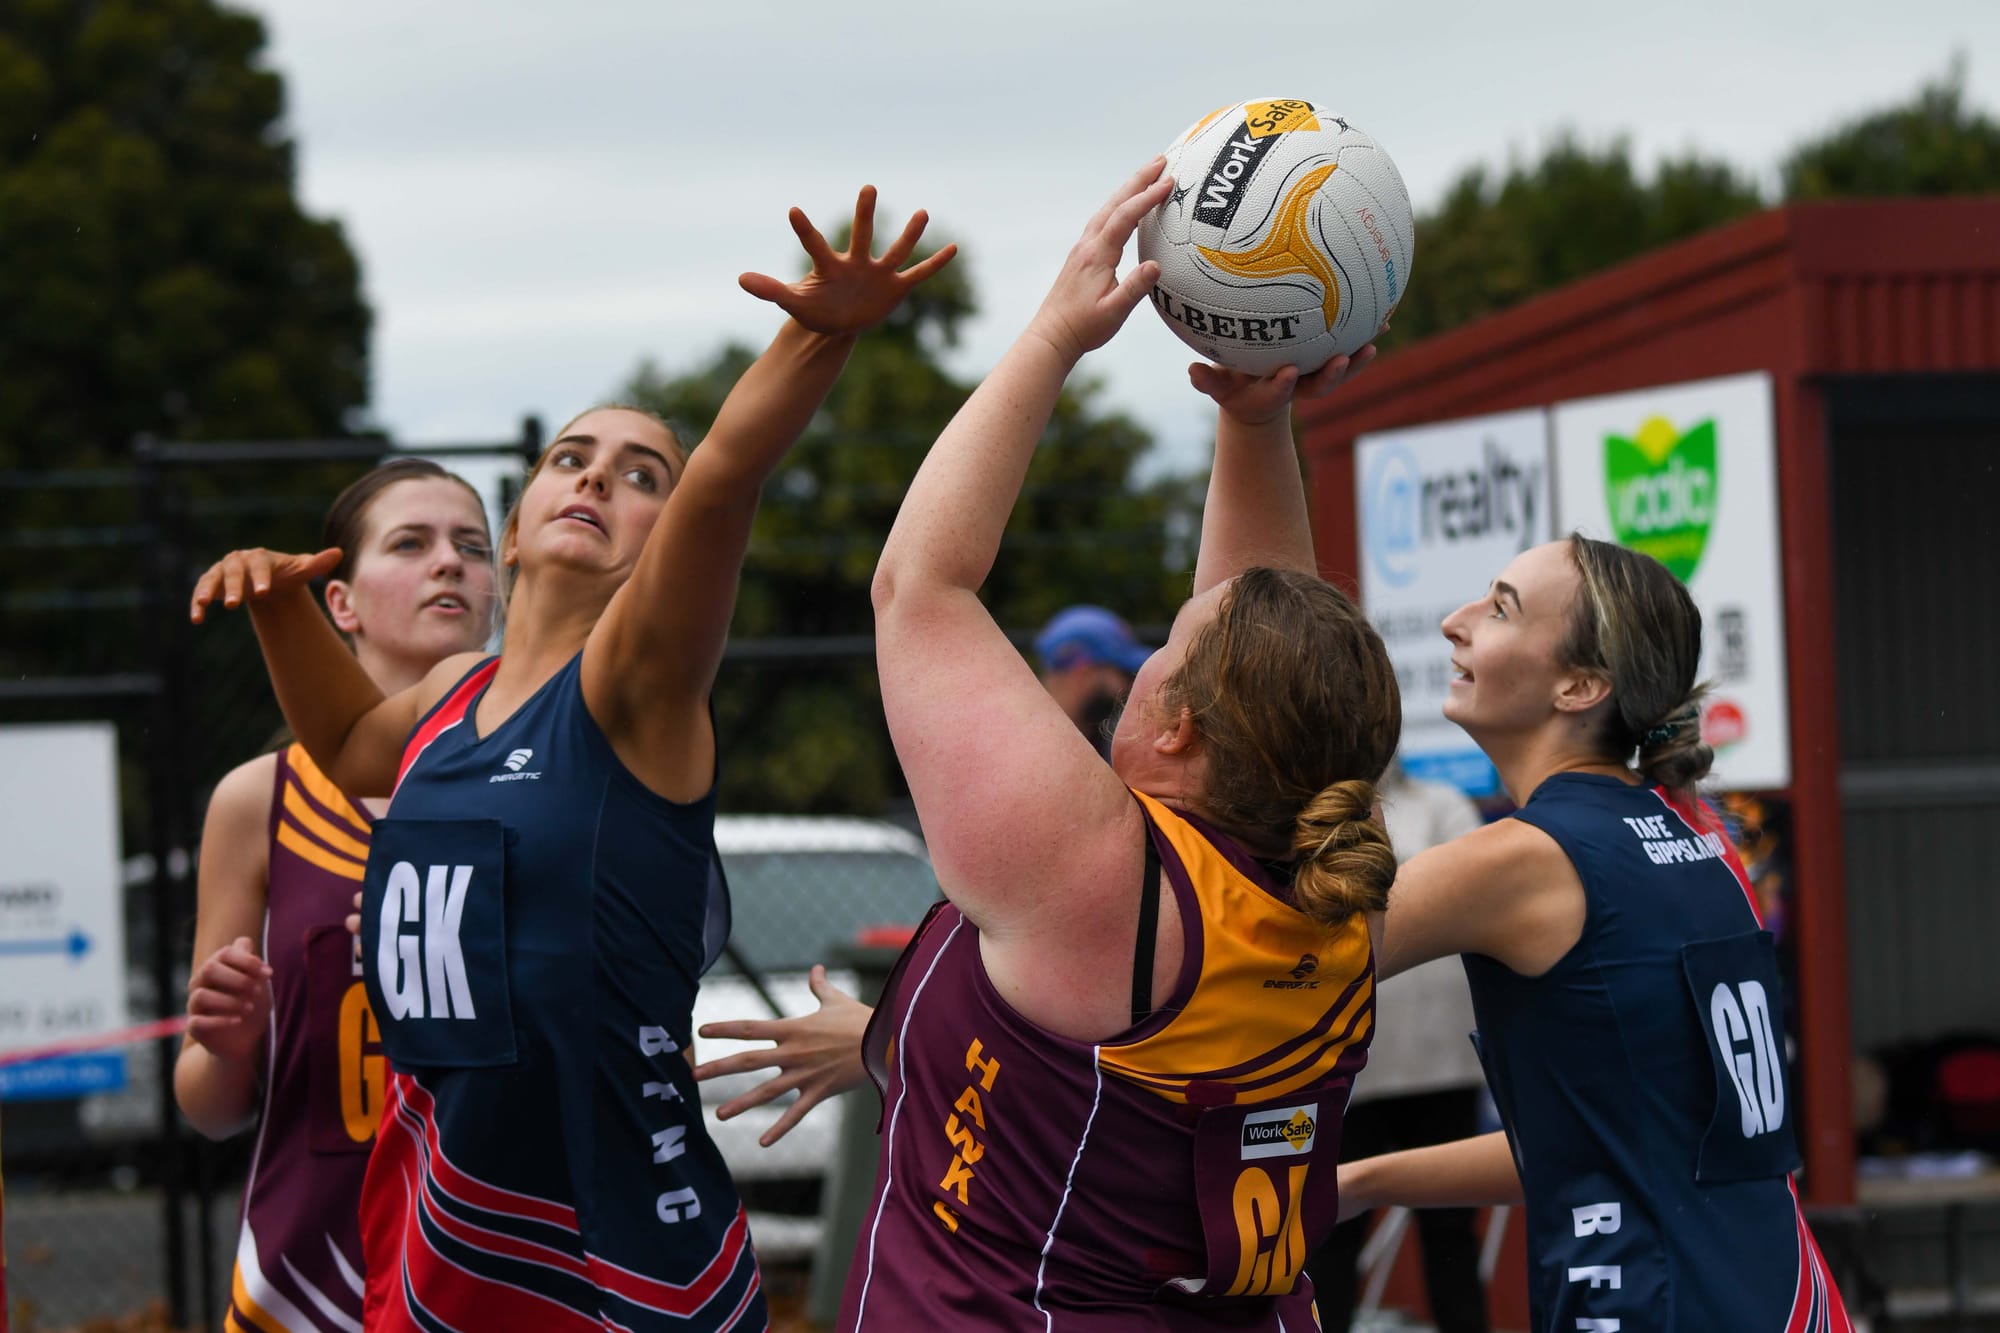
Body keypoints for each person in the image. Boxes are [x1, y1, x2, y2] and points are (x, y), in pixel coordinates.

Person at [189, 187, 952, 1333]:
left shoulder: (633, 688)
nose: (598, 478)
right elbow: (347, 748)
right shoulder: (452, 693)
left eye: (640, 474)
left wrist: (820, 331)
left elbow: (727, 476)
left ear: (662, 535)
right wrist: (277, 604)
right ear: (515, 523)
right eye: (570, 457)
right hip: (433, 1239)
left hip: (610, 1263)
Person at [844, 157, 1396, 1329]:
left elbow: (920, 585)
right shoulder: (1332, 892)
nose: (1154, 636)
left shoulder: (1100, 880)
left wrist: (1052, 336)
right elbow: (1265, 617)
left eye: (1170, 638)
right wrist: (1257, 419)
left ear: (1179, 721)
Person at [1339, 534, 1854, 1332]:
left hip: (1666, 1303)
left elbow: (1254, 960)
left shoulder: (1528, 856)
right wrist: (1363, 1180)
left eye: (1500, 607)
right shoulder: (1700, 836)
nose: (1455, 621)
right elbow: (1612, 1140)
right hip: (1780, 1292)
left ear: (1581, 684)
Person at [174, 459, 498, 1332]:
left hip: (502, 1264)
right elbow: (205, 1105)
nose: (451, 563)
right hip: (309, 1280)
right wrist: (228, 1043)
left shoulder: (545, 783)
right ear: (340, 602)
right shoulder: (258, 801)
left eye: (473, 546)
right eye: (412, 542)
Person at [1305, 760, 1491, 1333]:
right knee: (1332, 1233)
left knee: (1451, 1232)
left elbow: (1470, 890)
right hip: (1355, 1069)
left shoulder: (1445, 803)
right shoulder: (1313, 811)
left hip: (1445, 1064)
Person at [1033, 604, 1152, 756]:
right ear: (1083, 672)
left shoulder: (1094, 743)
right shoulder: (1031, 752)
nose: (1128, 687)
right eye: (1124, 674)